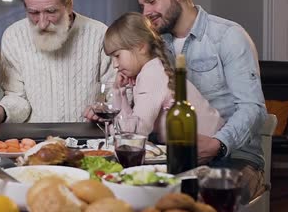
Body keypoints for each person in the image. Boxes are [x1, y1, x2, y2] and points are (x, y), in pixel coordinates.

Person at [132, 0, 267, 202]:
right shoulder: (156, 44)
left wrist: (217, 144)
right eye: (142, 5)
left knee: (202, 201)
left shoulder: (228, 36)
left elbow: (253, 108)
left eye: (152, 1)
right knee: (135, 194)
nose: (146, 12)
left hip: (235, 158)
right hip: (170, 155)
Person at [0, 0, 114, 123]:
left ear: (69, 4)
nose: (42, 23)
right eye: (33, 13)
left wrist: (104, 108)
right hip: (34, 141)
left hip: (89, 139)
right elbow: (16, 98)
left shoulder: (99, 34)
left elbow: (115, 92)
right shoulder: (13, 36)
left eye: (51, 11)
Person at [85, 12, 224, 140]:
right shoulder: (149, 71)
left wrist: (106, 129)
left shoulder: (152, 75)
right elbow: (129, 121)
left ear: (141, 47)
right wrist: (119, 91)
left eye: (117, 56)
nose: (115, 65)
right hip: (192, 145)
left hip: (208, 148)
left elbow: (137, 131)